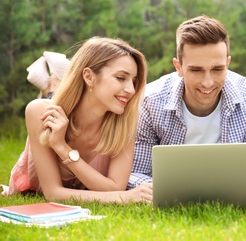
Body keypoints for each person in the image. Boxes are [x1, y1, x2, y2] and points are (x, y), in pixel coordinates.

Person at [129, 15, 246, 208]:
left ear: (228, 64)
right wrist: (151, 189)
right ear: (178, 67)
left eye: (217, 69)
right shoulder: (150, 100)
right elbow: (138, 171)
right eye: (196, 70)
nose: (208, 82)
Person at [2, 37, 152, 204]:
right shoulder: (40, 112)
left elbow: (115, 188)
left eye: (134, 81)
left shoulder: (125, 124)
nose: (131, 90)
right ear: (89, 76)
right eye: (120, 78)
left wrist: (62, 148)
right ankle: (47, 81)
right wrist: (122, 197)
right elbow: (52, 193)